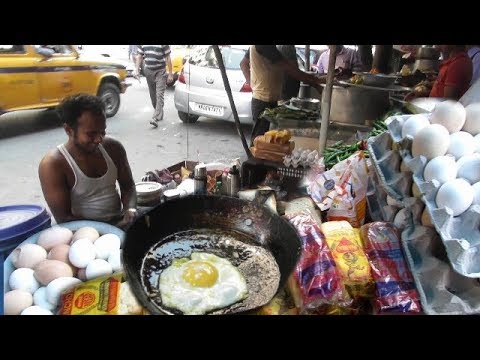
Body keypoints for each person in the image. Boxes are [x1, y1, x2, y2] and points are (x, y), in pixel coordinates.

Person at [38, 94, 137, 230]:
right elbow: (64, 218)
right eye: (91, 134)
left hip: (119, 221)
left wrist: (130, 210)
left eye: (103, 132)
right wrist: (107, 230)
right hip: (83, 232)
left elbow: (128, 186)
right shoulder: (53, 165)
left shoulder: (114, 148)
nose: (98, 139)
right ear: (69, 130)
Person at [240, 45, 324, 145]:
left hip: (270, 99)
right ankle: (254, 160)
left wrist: (254, 85)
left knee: (270, 141)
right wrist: (316, 83)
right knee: (260, 142)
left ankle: (260, 159)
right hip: (263, 102)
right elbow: (288, 67)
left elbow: (243, 63)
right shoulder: (264, 46)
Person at [134, 45, 173, 127]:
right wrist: (137, 70)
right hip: (148, 71)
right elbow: (139, 56)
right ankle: (159, 112)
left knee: (159, 94)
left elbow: (168, 58)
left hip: (161, 71)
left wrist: (170, 74)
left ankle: (155, 117)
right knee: (153, 95)